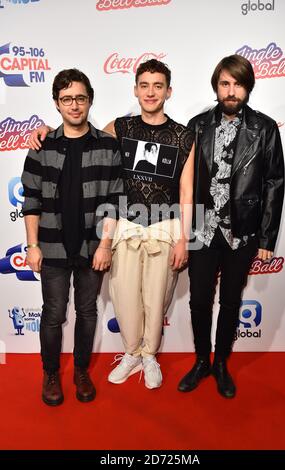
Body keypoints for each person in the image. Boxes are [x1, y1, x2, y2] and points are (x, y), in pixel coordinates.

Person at [29, 59, 195, 390]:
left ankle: (149, 356)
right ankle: (131, 353)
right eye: (144, 86)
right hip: (124, 227)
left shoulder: (185, 135)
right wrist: (44, 129)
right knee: (124, 298)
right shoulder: (118, 128)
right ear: (135, 90)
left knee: (155, 299)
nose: (150, 92)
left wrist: (185, 239)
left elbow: (188, 190)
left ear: (169, 91)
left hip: (164, 228)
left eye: (158, 85)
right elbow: (76, 134)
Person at [178, 54, 285, 398]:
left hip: (243, 231)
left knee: (230, 302)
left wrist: (267, 236)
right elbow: (183, 180)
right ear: (216, 86)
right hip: (202, 231)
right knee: (198, 300)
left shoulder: (264, 128)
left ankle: (221, 363)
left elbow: (273, 183)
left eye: (237, 84)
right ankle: (200, 361)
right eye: (225, 83)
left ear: (248, 87)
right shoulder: (196, 125)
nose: (231, 90)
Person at [22, 69, 123, 406]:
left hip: (93, 247)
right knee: (53, 313)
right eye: (67, 99)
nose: (74, 105)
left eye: (80, 98)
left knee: (87, 312)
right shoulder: (42, 146)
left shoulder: (108, 145)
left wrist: (106, 245)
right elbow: (31, 200)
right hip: (51, 246)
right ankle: (51, 373)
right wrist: (33, 246)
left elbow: (113, 200)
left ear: (89, 100)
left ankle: (81, 370)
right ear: (56, 103)